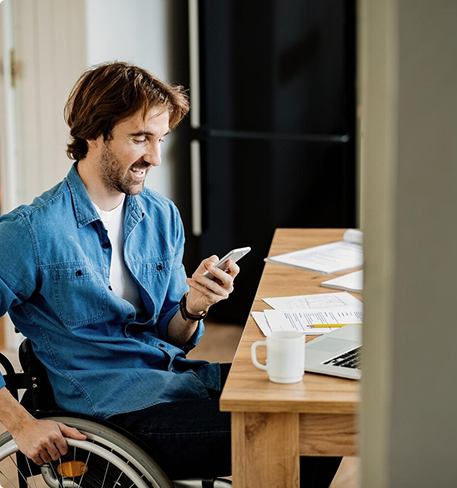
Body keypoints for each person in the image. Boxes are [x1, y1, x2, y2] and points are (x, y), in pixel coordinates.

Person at [0, 62, 341, 485]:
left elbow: (170, 334)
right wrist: (19, 423)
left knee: (321, 406)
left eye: (160, 140)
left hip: (176, 380)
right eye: (140, 138)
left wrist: (194, 305)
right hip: (117, 415)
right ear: (93, 132)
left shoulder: (160, 215)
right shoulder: (30, 232)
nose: (155, 157)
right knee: (301, 435)